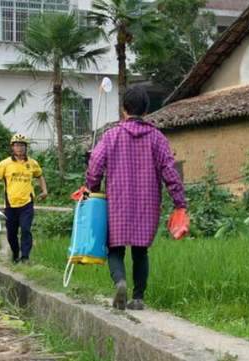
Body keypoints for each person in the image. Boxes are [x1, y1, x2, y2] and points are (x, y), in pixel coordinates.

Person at [85, 86, 187, 310]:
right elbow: (170, 172)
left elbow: (95, 165)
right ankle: (138, 297)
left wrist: (91, 188)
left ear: (123, 109)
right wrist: (180, 203)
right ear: (146, 110)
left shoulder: (111, 136)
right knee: (141, 251)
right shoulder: (157, 138)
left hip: (118, 203)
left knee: (115, 248)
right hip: (147, 204)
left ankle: (120, 281)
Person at [0, 134, 48, 263]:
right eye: (16, 145)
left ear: (25, 147)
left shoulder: (32, 163)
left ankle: (25, 257)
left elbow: (40, 176)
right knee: (11, 234)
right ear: (12, 147)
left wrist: (44, 190)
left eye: (21, 145)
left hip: (27, 203)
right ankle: (15, 254)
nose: (19, 148)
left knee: (26, 229)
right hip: (10, 204)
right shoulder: (5, 163)